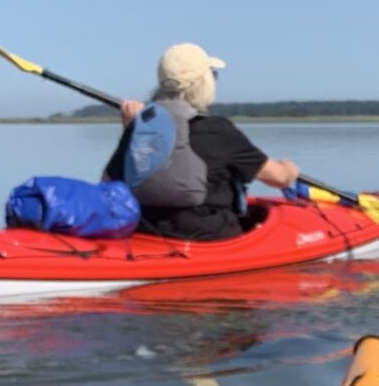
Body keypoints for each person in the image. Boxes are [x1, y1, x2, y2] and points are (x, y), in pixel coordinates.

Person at [105, 43, 301, 241]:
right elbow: (278, 178)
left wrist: (131, 128)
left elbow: (108, 183)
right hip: (208, 236)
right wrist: (290, 170)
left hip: (147, 230)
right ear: (202, 83)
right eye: (212, 75)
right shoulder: (218, 130)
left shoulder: (143, 128)